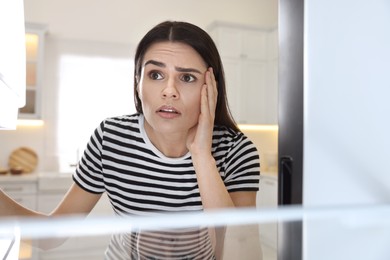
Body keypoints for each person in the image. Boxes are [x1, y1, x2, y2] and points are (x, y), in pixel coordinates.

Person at [0, 21, 260, 259]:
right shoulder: (110, 138)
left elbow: (241, 254)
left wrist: (202, 154)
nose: (169, 91)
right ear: (137, 81)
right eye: (155, 75)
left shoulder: (236, 151)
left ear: (211, 87)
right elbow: (51, 236)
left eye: (187, 77)